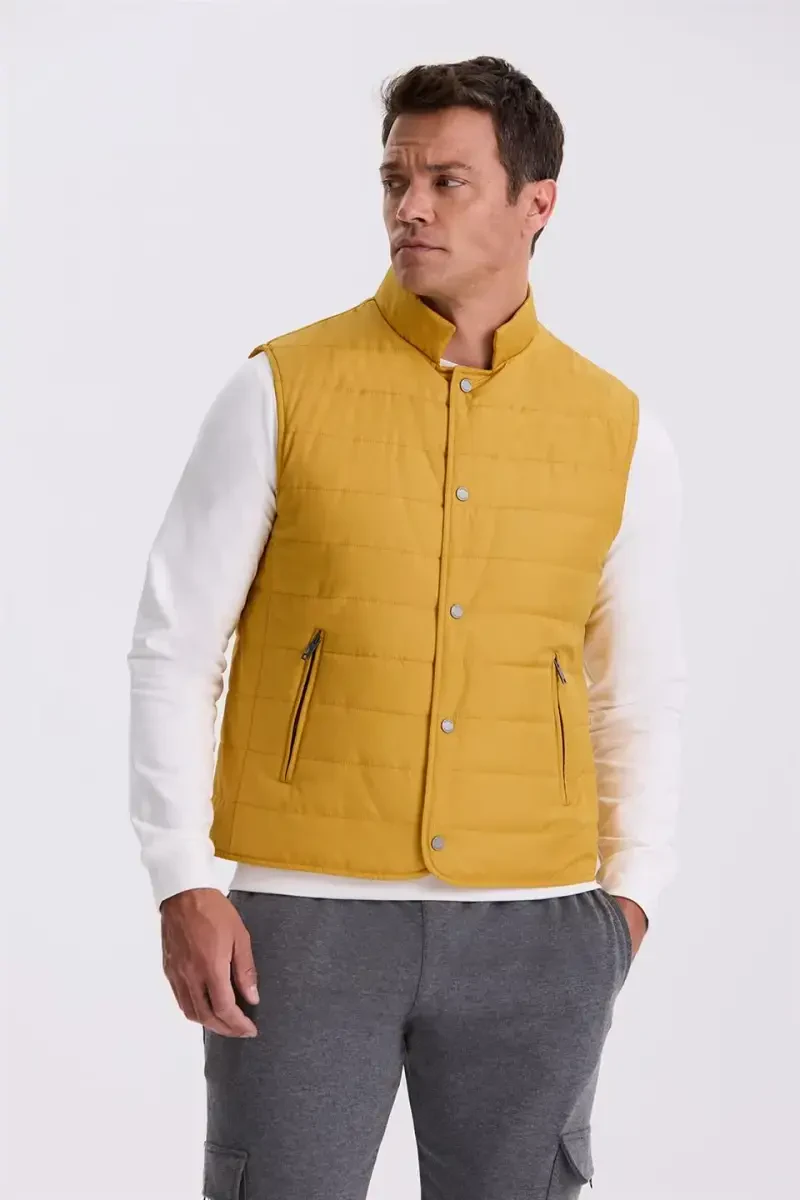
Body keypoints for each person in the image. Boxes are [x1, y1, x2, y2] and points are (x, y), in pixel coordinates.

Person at [127, 55, 686, 1200]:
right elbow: (173, 646)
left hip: (539, 928)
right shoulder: (280, 389)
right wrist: (182, 878)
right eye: (394, 179)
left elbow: (634, 685)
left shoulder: (616, 428)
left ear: (536, 202)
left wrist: (628, 899)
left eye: (446, 181)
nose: (409, 208)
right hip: (302, 922)